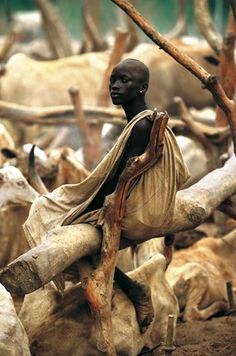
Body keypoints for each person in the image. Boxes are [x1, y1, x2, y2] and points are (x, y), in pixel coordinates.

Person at [22, 58, 189, 333]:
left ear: (142, 88)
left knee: (56, 223)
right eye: (113, 80)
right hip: (133, 203)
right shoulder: (139, 121)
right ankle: (129, 288)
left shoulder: (140, 126)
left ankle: (134, 290)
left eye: (124, 81)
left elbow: (117, 182)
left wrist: (81, 210)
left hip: (135, 213)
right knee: (57, 214)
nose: (115, 86)